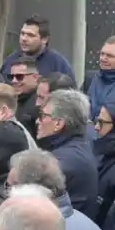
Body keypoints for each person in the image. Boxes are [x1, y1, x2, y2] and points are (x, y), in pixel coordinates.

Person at [36, 88, 99, 219]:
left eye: (43, 115)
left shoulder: (60, 162)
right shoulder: (79, 145)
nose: (38, 121)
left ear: (58, 123)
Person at [0, 14, 75, 80]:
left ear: (44, 39)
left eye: (30, 35)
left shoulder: (58, 64)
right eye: (22, 33)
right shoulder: (10, 60)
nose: (24, 39)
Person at [6, 55, 43, 138]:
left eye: (19, 76)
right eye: (11, 77)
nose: (14, 81)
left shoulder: (42, 102)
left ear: (35, 77)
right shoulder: (10, 100)